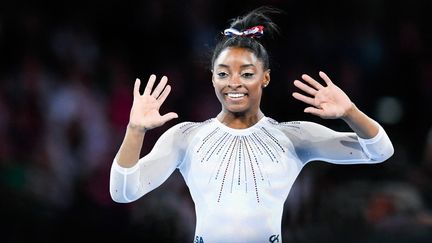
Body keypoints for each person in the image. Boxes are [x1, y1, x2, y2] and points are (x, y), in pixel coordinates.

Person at [109, 6, 394, 243]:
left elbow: (380, 151)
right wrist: (135, 131)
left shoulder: (294, 137)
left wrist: (351, 113)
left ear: (265, 78)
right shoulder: (185, 137)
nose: (234, 83)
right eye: (223, 73)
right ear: (212, 78)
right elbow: (124, 193)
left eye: (246, 73)